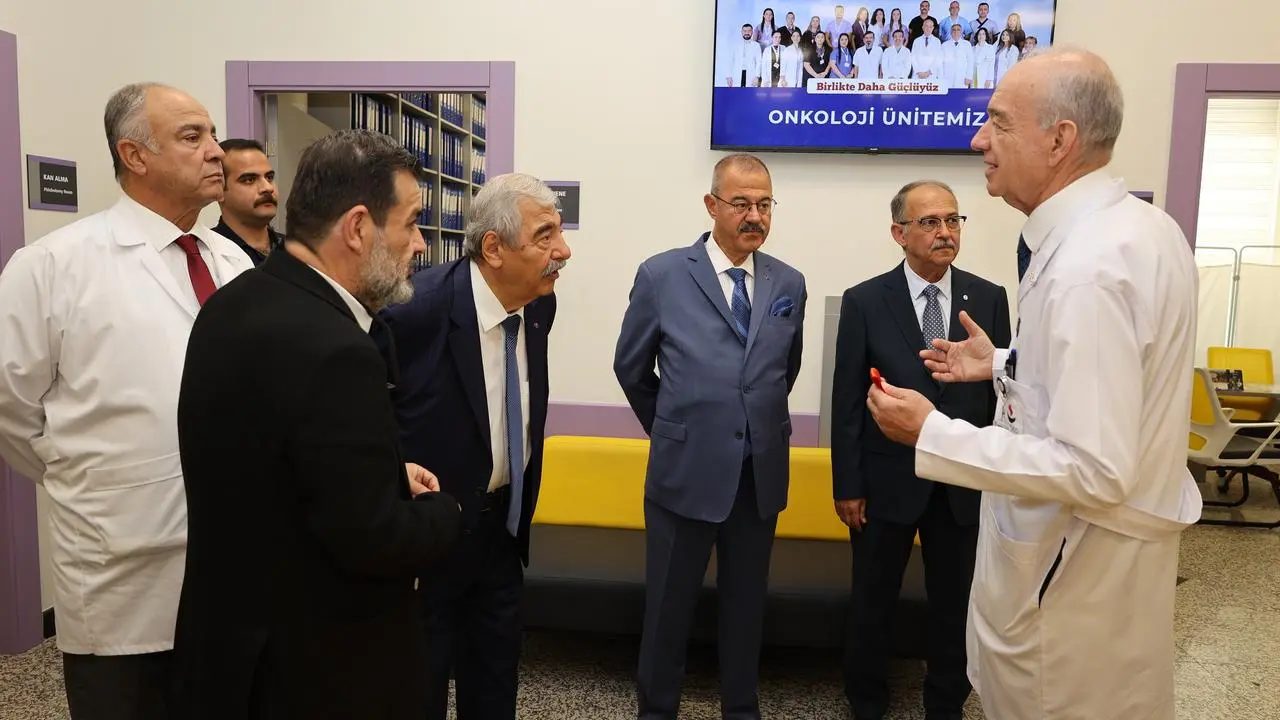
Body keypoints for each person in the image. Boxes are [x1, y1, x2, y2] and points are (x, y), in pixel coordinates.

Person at [865, 48, 1201, 720]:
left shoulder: (1088, 269)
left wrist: (932, 433)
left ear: (1059, 140)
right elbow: (1107, 375)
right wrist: (1002, 363)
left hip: (1071, 592)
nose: (978, 140)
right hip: (1098, 580)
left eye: (999, 123)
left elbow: (1093, 468)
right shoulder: (1139, 230)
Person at [170, 129, 463, 719]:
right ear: (357, 228)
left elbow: (279, 467)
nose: (420, 244)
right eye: (411, 223)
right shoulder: (336, 347)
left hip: (233, 654)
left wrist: (381, 475)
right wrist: (444, 512)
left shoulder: (232, 303)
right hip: (318, 669)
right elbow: (373, 538)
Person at [0, 81, 252, 720]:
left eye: (212, 134)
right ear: (134, 155)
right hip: (115, 563)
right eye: (192, 137)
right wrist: (83, 474)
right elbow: (10, 406)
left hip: (229, 555)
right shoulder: (53, 265)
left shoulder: (233, 264)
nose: (216, 151)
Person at [614, 153, 807, 720]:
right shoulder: (662, 275)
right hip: (684, 475)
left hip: (757, 477)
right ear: (711, 205)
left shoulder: (788, 282)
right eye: (741, 203)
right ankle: (656, 712)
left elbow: (783, 372)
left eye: (765, 204)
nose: (755, 216)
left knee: (746, 613)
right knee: (667, 613)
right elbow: (631, 368)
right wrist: (672, 429)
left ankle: (741, 710)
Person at [380, 173, 570, 720]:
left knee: (494, 691)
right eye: (545, 236)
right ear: (494, 248)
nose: (563, 250)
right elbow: (368, 421)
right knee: (418, 693)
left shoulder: (539, 305)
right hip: (428, 546)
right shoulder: (412, 313)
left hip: (502, 536)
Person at [832, 180, 1010, 720]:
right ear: (899, 233)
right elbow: (847, 402)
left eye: (953, 220)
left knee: (956, 603)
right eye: (930, 222)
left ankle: (946, 703)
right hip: (887, 482)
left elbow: (1002, 400)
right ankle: (867, 701)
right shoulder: (865, 301)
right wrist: (848, 485)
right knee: (872, 600)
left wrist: (998, 478)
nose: (945, 232)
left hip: (962, 482)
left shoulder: (989, 298)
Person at [212, 138, 284, 265]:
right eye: (249, 180)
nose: (268, 188)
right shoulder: (207, 256)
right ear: (219, 190)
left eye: (269, 177)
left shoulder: (297, 251)